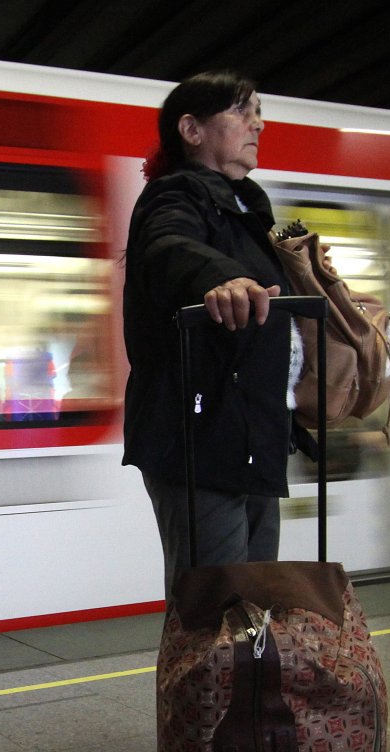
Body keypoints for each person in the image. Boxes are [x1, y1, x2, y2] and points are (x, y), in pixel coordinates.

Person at [122, 70, 310, 599]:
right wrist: (217, 280)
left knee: (252, 609)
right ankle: (215, 687)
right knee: (212, 614)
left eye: (260, 114)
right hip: (199, 439)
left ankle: (249, 684)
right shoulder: (174, 195)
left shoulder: (249, 207)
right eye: (242, 112)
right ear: (192, 129)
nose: (258, 124)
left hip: (251, 437)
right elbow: (166, 248)